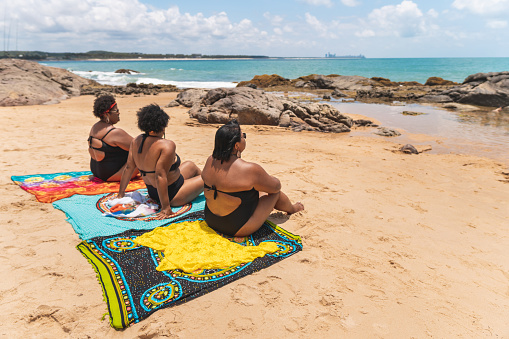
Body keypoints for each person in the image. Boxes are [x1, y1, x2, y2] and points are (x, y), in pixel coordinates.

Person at [201, 119, 304, 237]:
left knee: (253, 189)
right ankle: (292, 209)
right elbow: (276, 187)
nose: (244, 138)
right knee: (275, 193)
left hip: (211, 220)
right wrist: (266, 178)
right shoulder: (249, 169)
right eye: (243, 136)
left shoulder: (210, 161)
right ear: (236, 145)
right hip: (237, 228)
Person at [117, 104, 203, 219]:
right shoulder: (166, 145)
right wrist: (166, 207)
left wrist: (120, 193)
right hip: (172, 195)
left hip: (153, 192)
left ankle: (201, 188)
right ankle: (209, 190)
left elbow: (129, 168)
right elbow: (160, 176)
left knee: (190, 165)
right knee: (209, 177)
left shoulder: (136, 141)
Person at [88, 95, 138, 181]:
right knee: (142, 154)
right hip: (111, 174)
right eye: (116, 110)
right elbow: (140, 147)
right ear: (107, 114)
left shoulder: (95, 127)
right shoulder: (115, 132)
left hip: (96, 171)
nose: (119, 113)